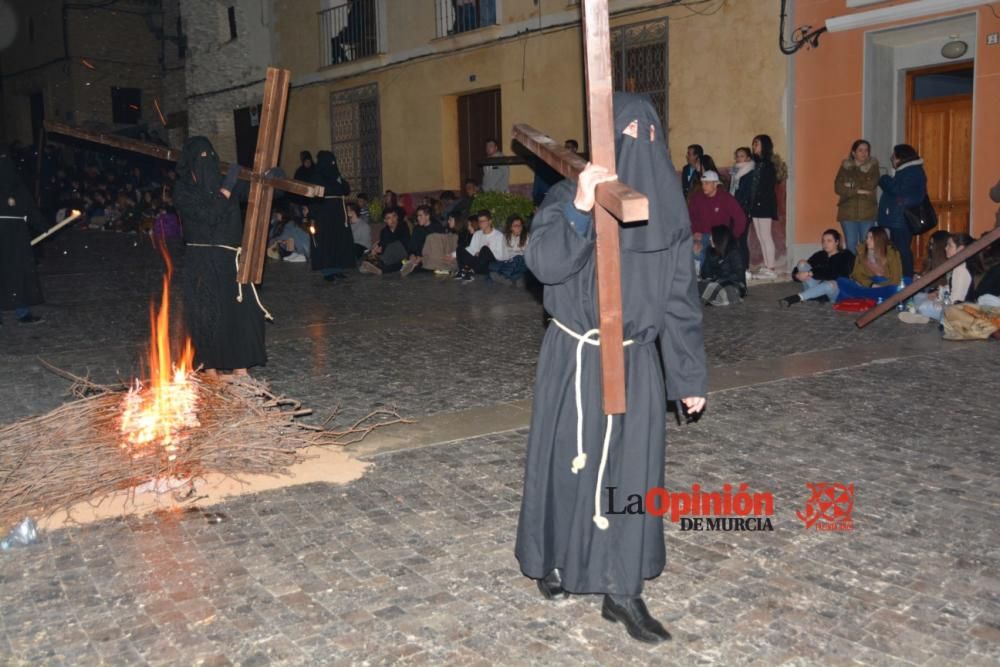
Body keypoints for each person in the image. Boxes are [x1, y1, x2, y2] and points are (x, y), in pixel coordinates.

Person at [516, 93, 707, 645]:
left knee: (632, 477)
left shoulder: (667, 209)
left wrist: (689, 377)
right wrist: (579, 207)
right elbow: (544, 264)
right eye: (627, 134)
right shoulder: (564, 196)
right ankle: (553, 559)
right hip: (574, 356)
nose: (640, 145)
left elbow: (680, 301)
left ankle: (622, 591)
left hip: (635, 362)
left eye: (650, 136)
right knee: (563, 465)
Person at [173, 137, 266, 375]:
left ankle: (240, 367)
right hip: (201, 264)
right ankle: (209, 368)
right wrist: (227, 187)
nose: (207, 162)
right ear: (191, 162)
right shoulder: (184, 190)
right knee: (206, 316)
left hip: (228, 262)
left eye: (210, 156)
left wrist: (270, 179)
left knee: (240, 313)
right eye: (201, 157)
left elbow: (258, 193)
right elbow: (208, 215)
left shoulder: (228, 184)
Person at [0, 154, 46, 325]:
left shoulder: (19, 189)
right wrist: (43, 226)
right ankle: (22, 312)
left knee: (11, 274)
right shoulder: (18, 187)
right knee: (18, 274)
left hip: (16, 238)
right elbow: (32, 211)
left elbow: (31, 210)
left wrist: (43, 226)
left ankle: (22, 312)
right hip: (16, 237)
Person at [901, 233, 979, 324]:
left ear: (960, 249)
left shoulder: (960, 269)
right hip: (950, 303)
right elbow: (951, 288)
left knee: (924, 306)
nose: (945, 248)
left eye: (949, 246)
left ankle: (922, 315)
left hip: (959, 312)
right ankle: (923, 316)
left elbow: (955, 301)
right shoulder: (957, 265)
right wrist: (938, 293)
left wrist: (938, 300)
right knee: (919, 297)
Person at [877, 143, 927, 278]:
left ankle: (906, 279)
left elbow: (897, 190)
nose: (891, 158)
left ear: (900, 158)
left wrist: (884, 178)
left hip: (901, 218)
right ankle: (901, 277)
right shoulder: (910, 171)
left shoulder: (911, 171)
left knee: (902, 250)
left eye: (893, 156)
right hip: (899, 218)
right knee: (898, 249)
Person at [306, 151, 353, 283]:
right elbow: (315, 196)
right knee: (326, 242)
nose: (333, 164)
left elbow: (346, 189)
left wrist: (339, 180)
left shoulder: (336, 175)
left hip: (338, 215)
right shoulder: (317, 177)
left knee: (338, 241)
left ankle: (338, 269)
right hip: (324, 215)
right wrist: (313, 215)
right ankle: (327, 271)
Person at [687, 170, 747, 272]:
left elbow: (740, 218)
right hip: (702, 234)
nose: (703, 186)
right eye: (702, 183)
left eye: (707, 183)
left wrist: (732, 237)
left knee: (718, 254)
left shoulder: (725, 198)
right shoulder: (697, 198)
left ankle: (711, 274)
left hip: (719, 236)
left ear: (715, 184)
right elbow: (691, 217)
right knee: (694, 249)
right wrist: (695, 233)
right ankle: (702, 275)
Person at [778, 229, 855, 307]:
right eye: (823, 241)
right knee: (802, 263)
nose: (825, 244)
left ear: (837, 242)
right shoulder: (820, 255)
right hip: (816, 288)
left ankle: (796, 298)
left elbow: (836, 274)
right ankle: (813, 294)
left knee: (830, 283)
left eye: (829, 241)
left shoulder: (846, 255)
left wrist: (811, 273)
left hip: (834, 291)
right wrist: (797, 275)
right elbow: (801, 269)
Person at [834, 139, 879, 255]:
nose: (864, 153)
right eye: (860, 150)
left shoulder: (873, 166)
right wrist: (859, 190)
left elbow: (871, 185)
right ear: (853, 153)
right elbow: (838, 187)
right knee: (851, 245)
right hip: (848, 212)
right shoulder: (845, 167)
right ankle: (852, 271)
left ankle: (866, 272)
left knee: (868, 245)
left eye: (866, 150)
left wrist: (850, 185)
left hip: (867, 212)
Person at [835, 227, 902, 302]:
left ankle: (860, 295)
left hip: (886, 285)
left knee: (898, 285)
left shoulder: (891, 253)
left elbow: (896, 279)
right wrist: (871, 284)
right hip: (869, 283)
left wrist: (879, 286)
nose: (867, 240)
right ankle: (869, 295)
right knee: (841, 280)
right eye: (867, 237)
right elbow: (856, 274)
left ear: (879, 240)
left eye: (871, 238)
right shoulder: (861, 251)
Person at [749, 134, 779, 277]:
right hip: (755, 203)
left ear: (764, 146)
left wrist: (759, 201)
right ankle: (767, 265)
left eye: (757, 144)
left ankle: (771, 268)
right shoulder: (755, 163)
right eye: (753, 143)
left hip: (765, 203)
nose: (754, 146)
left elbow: (767, 187)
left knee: (766, 235)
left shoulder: (768, 165)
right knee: (760, 236)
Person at [698, 225, 746, 306]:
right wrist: (710, 275)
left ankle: (713, 298)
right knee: (698, 285)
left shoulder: (734, 252)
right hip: (715, 282)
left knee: (723, 289)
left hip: (734, 284)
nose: (709, 239)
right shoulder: (709, 251)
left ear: (718, 238)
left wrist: (719, 279)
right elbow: (705, 273)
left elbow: (739, 275)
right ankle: (715, 298)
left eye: (711, 236)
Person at [455, 209, 504, 282]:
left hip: (489, 264)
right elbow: (471, 249)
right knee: (460, 248)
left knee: (485, 249)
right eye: (479, 221)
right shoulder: (477, 233)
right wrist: (455, 254)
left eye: (483, 221)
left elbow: (500, 256)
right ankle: (463, 270)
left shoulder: (499, 235)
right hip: (478, 261)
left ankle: (471, 271)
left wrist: (481, 253)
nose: (481, 224)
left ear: (490, 221)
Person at [360, 209, 412, 275]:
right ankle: (381, 269)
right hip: (393, 258)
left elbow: (400, 242)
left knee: (393, 246)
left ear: (397, 217)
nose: (392, 220)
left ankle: (376, 264)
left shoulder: (403, 226)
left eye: (394, 216)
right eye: (389, 218)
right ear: (385, 220)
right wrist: (377, 250)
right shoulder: (384, 231)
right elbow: (383, 244)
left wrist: (381, 246)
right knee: (399, 263)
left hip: (402, 253)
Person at [729, 146, 755, 275]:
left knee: (742, 239)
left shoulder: (749, 172)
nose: (739, 158)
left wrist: (736, 205)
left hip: (743, 210)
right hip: (734, 210)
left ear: (748, 158)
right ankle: (737, 266)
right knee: (735, 239)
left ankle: (745, 268)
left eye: (742, 156)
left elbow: (745, 194)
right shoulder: (735, 172)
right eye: (737, 156)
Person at [401, 205, 445, 277]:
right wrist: (412, 255)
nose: (418, 218)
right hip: (419, 258)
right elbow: (412, 246)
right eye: (417, 216)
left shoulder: (437, 228)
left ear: (427, 216)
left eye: (420, 216)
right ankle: (414, 265)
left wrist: (422, 258)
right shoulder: (417, 229)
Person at [489, 214, 530, 287]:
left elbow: (526, 254)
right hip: (509, 261)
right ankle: (514, 278)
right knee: (493, 264)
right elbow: (504, 254)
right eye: (515, 226)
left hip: (521, 262)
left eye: (520, 225)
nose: (519, 228)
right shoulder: (506, 237)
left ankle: (506, 276)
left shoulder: (527, 236)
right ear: (510, 227)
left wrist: (515, 254)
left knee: (519, 259)